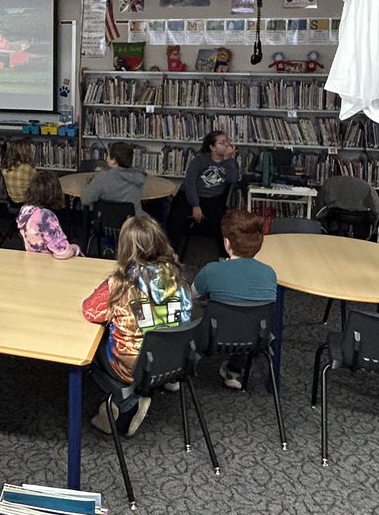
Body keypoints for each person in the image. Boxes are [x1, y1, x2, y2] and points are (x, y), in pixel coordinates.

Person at [81, 215, 193, 437]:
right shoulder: (178, 279)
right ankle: (154, 386)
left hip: (132, 367)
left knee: (91, 348)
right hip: (172, 361)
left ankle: (127, 402)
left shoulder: (120, 284)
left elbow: (90, 311)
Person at [193, 209, 278, 389]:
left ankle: (180, 370)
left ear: (227, 243)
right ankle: (234, 370)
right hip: (254, 340)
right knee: (249, 316)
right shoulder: (270, 274)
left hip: (212, 338)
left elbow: (191, 295)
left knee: (190, 310)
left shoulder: (211, 270)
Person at [167, 130, 239, 255]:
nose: (227, 145)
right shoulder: (200, 160)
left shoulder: (230, 162)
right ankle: (171, 253)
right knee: (175, 217)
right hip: (191, 195)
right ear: (212, 148)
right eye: (222, 143)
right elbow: (190, 183)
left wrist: (228, 160)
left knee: (221, 223)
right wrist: (195, 205)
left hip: (213, 197)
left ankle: (225, 255)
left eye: (227, 141)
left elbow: (233, 179)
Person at [17, 170, 81, 258]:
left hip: (32, 259)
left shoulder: (25, 210)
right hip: (48, 262)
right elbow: (62, 251)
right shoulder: (45, 216)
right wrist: (75, 249)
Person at [79, 141, 147, 217]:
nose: (106, 159)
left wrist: (90, 182)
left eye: (108, 155)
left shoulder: (102, 178)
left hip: (106, 224)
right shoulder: (139, 176)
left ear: (114, 160)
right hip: (132, 224)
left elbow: (85, 199)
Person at [1, 138, 38, 206]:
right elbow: (37, 184)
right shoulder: (28, 168)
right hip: (27, 201)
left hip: (12, 200)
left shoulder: (5, 168)